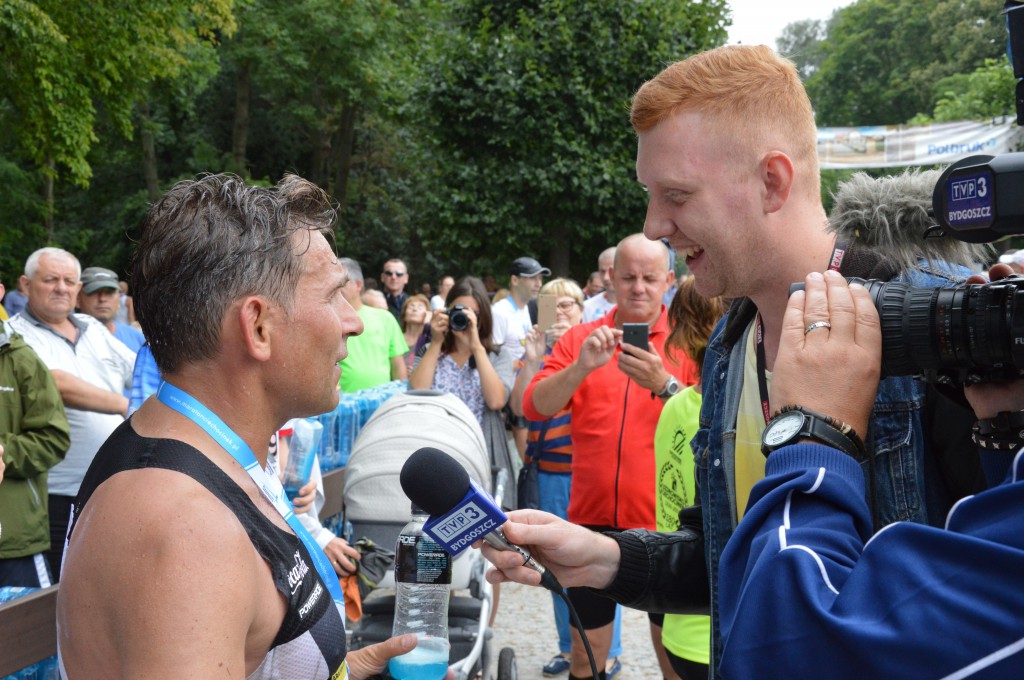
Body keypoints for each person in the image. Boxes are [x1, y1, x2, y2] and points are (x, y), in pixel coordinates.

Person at [488, 45, 984, 679]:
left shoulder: (933, 326)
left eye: (676, 195)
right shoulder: (729, 342)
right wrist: (601, 558)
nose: (655, 225)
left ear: (772, 181)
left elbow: (983, 588)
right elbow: (734, 554)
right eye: (650, 195)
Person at [56, 173, 451, 679]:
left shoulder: (199, 454)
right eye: (334, 296)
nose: (354, 321)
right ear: (258, 326)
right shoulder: (187, 529)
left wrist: (344, 668)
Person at [715, 270, 1024, 678]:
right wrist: (1008, 432)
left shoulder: (923, 278)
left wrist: (812, 438)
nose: (654, 226)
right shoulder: (727, 341)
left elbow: (788, 651)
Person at [523, 233, 698, 680]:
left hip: (669, 525)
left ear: (669, 282)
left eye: (649, 278)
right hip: (592, 521)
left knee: (675, 661)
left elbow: (714, 422)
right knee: (585, 658)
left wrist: (666, 385)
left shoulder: (691, 343)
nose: (638, 287)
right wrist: (582, 367)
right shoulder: (582, 339)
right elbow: (533, 406)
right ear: (609, 280)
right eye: (628, 277)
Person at [509, 277, 624, 679]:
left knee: (602, 561)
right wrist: (536, 357)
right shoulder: (538, 352)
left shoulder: (598, 346)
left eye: (567, 305)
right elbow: (519, 408)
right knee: (559, 566)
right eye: (549, 306)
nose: (559, 313)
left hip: (584, 472)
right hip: (545, 470)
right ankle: (568, 645)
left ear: (582, 308)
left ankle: (609, 652)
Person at [8, 247, 135, 580]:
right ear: (25, 284)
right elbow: (56, 383)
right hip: (59, 495)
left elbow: (137, 372)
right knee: (63, 592)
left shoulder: (94, 328)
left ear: (79, 289)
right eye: (50, 280)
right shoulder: (16, 339)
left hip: (114, 486)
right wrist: (126, 405)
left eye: (69, 281)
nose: (61, 288)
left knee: (110, 582)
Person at [653, 276, 723, 680]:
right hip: (735, 625)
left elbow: (668, 509)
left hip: (682, 624)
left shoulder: (675, 406)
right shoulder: (757, 403)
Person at [409, 276, 515, 483]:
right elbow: (415, 394)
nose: (464, 319)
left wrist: (476, 346)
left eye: (472, 314)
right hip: (434, 454)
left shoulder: (499, 356)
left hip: (481, 456)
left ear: (483, 316)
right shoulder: (430, 351)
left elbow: (496, 401)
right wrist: (436, 342)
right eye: (458, 312)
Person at [0, 314, 70, 587]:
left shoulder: (22, 359)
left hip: (14, 543)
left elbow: (53, 438)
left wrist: (5, 451)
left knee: (27, 628)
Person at [338, 258, 408, 393]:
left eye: (341, 282)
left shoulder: (385, 318)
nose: (336, 287)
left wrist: (402, 398)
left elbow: (398, 366)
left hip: (381, 403)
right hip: (341, 406)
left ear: (358, 285)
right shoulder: (326, 321)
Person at [492, 256, 550, 362]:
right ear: (515, 280)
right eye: (533, 278)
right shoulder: (499, 312)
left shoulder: (527, 308)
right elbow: (493, 361)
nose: (539, 284)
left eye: (540, 278)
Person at [76, 267, 146, 353]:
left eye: (109, 293)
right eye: (94, 292)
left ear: (119, 300)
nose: (102, 298)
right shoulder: (65, 340)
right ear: (77, 299)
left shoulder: (138, 339)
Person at [582, 247, 616, 323]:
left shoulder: (639, 305)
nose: (606, 277)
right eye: (602, 271)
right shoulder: (587, 306)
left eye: (611, 271)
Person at [399, 293, 431, 370]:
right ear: (404, 315)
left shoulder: (430, 340)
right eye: (411, 307)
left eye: (420, 307)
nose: (415, 309)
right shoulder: (397, 338)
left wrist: (428, 324)